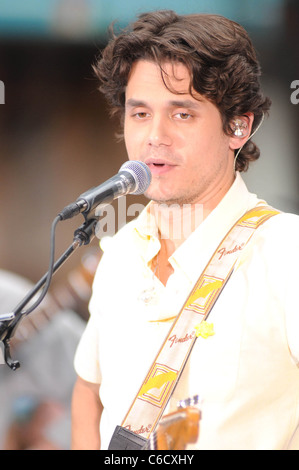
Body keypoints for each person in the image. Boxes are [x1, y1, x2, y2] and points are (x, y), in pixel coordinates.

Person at [71, 10, 299, 450]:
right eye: (139, 113)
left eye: (181, 114)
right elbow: (88, 391)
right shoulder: (120, 251)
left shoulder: (286, 252)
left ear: (238, 127)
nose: (154, 136)